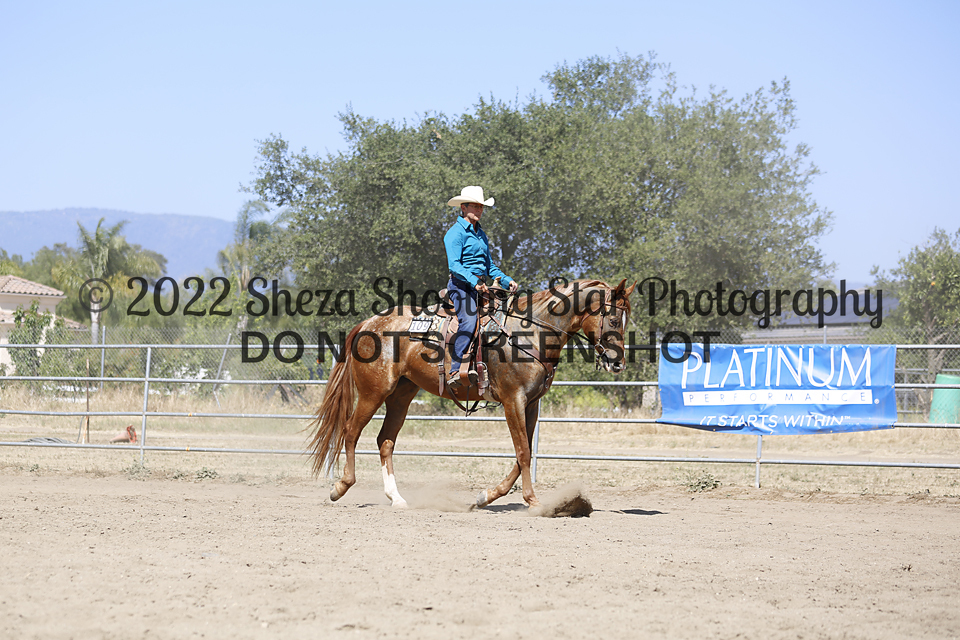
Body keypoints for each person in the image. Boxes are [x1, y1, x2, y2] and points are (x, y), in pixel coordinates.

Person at [443, 186, 519, 390]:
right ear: (463, 207)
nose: (479, 210)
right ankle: (455, 370)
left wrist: (506, 280)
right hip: (460, 286)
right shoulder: (454, 233)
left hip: (481, 287)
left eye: (481, 207)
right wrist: (474, 281)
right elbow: (454, 265)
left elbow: (489, 266)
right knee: (469, 321)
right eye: (475, 206)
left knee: (506, 320)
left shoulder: (481, 235)